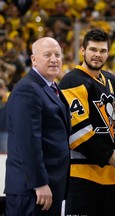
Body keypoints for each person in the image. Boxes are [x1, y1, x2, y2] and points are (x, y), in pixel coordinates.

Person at [59, 28, 115, 216]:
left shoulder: (112, 81)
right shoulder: (72, 81)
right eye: (93, 50)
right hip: (80, 176)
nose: (97, 55)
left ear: (108, 52)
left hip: (108, 177)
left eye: (102, 51)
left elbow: (111, 125)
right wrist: (108, 155)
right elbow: (77, 132)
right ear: (83, 50)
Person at [4, 37, 71, 216]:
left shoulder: (51, 88)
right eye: (47, 55)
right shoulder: (28, 89)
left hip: (48, 188)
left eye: (57, 54)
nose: (54, 59)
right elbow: (27, 142)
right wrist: (39, 183)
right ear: (34, 60)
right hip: (32, 191)